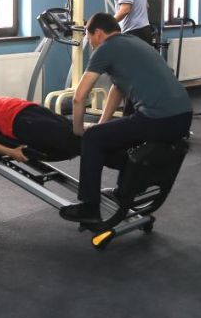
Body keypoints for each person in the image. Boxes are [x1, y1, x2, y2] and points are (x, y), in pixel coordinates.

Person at [58, 12, 193, 225]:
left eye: (89, 37)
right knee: (106, 134)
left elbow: (79, 97)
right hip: (183, 115)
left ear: (98, 33)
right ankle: (126, 189)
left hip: (158, 118)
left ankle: (89, 207)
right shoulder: (133, 42)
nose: (89, 43)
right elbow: (118, 88)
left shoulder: (105, 49)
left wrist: (79, 131)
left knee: (92, 139)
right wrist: (101, 124)